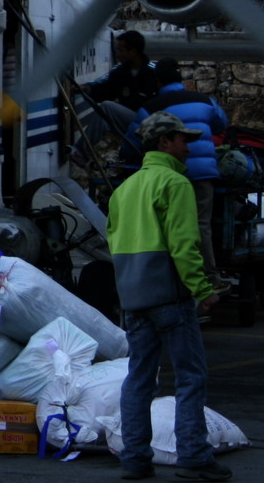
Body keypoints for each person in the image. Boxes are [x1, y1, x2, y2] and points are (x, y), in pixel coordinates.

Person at [109, 112, 231, 482]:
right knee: (191, 376)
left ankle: (135, 458)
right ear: (164, 143)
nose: (188, 146)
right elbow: (184, 246)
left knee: (139, 379)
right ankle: (193, 455)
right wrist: (203, 290)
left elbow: (113, 241)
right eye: (182, 139)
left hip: (134, 298)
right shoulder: (176, 184)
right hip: (170, 297)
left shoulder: (124, 189)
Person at [127, 58, 231, 290]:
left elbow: (133, 139)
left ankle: (171, 276)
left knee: (167, 225)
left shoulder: (152, 107)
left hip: (167, 172)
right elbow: (221, 124)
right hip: (203, 173)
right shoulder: (206, 101)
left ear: (158, 81)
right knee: (201, 224)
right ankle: (210, 276)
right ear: (181, 79)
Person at [77, 30, 159, 156]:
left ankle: (80, 152)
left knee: (107, 107)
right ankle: (81, 154)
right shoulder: (119, 73)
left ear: (133, 51)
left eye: (121, 50)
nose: (117, 55)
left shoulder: (154, 72)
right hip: (132, 122)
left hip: (153, 125)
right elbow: (105, 91)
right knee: (105, 110)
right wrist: (87, 89)